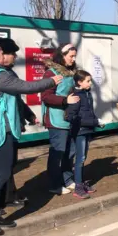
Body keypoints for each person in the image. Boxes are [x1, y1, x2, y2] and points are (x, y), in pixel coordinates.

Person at [0, 42, 60, 234]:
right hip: (1, 130)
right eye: (1, 53)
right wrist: (52, 81)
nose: (3, 57)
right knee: (1, 173)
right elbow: (25, 87)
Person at [0, 38, 38, 214]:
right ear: (0, 55)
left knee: (7, 166)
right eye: (12, 53)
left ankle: (7, 197)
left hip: (10, 125)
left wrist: (27, 114)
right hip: (0, 129)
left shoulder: (6, 73)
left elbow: (16, 100)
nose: (15, 57)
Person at [41, 44, 80, 195]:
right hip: (56, 120)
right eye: (71, 56)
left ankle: (68, 179)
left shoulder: (71, 73)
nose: (73, 59)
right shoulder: (51, 73)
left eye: (75, 56)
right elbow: (46, 97)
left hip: (69, 119)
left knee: (70, 151)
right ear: (62, 56)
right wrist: (65, 101)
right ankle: (54, 184)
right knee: (58, 153)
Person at [65, 70, 103, 199]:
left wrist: (96, 122)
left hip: (87, 130)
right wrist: (94, 121)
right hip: (80, 131)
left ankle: (81, 182)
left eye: (90, 80)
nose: (90, 83)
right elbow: (71, 117)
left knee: (83, 157)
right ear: (79, 82)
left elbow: (89, 112)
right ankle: (78, 187)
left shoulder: (87, 94)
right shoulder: (76, 96)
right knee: (80, 159)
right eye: (88, 81)